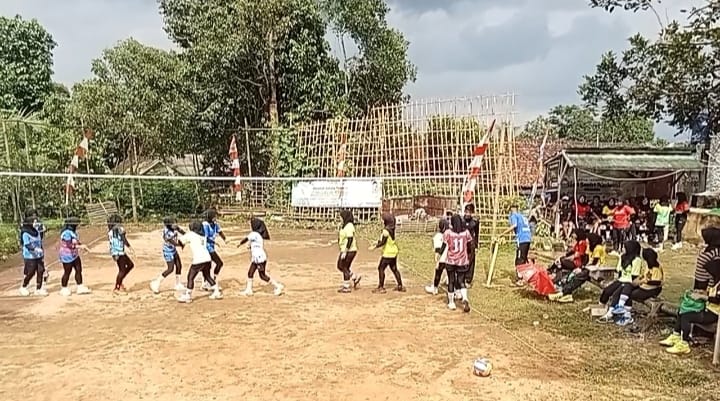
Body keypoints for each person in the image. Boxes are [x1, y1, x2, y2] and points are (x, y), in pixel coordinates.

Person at [661, 227, 720, 354]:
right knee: (682, 310)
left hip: (714, 313)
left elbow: (717, 299)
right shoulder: (715, 283)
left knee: (686, 316)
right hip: (708, 306)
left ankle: (685, 343)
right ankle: (676, 335)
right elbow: (712, 294)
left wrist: (703, 297)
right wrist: (702, 293)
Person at [610, 248, 664, 326]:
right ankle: (620, 308)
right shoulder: (648, 265)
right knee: (627, 287)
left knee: (631, 294)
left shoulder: (656, 267)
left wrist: (644, 281)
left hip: (653, 289)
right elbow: (645, 275)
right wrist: (639, 279)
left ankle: (627, 313)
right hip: (644, 286)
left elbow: (658, 282)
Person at [548, 232, 606, 303]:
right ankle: (566, 293)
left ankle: (563, 293)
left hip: (597, 270)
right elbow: (586, 260)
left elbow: (594, 262)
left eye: (587, 239)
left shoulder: (598, 248)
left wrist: (581, 268)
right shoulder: (590, 246)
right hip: (589, 268)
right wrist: (580, 267)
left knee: (579, 276)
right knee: (573, 274)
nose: (586, 240)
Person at [177, 220, 223, 303]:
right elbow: (208, 240)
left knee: (190, 277)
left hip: (198, 260)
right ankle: (216, 292)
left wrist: (178, 244)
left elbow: (180, 241)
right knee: (207, 276)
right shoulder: (202, 235)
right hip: (207, 259)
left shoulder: (190, 234)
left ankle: (188, 295)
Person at [596, 240, 643, 323]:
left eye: (624, 247)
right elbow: (619, 271)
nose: (622, 249)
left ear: (630, 248)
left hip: (630, 282)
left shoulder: (637, 260)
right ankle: (600, 307)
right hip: (621, 280)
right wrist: (617, 282)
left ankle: (611, 313)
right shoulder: (622, 257)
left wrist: (626, 285)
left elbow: (634, 276)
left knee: (617, 293)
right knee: (607, 291)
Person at [238, 217, 284, 296]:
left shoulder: (254, 234)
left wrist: (239, 244)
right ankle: (249, 290)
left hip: (259, 258)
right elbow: (252, 243)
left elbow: (246, 239)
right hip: (257, 258)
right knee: (250, 273)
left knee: (262, 276)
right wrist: (250, 246)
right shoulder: (258, 235)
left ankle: (277, 286)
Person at [442, 214, 474, 312]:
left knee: (451, 280)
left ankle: (451, 303)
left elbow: (443, 246)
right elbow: (470, 245)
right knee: (461, 281)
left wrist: (439, 256)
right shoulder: (466, 233)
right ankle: (465, 298)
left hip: (451, 260)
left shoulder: (448, 233)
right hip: (462, 261)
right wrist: (468, 255)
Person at [368, 212, 405, 293]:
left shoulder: (385, 231)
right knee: (394, 269)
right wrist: (376, 242)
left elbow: (383, 242)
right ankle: (400, 286)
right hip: (394, 251)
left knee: (381, 268)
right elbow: (386, 240)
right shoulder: (392, 229)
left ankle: (381, 287)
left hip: (387, 253)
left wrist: (375, 247)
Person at [150, 217, 187, 294]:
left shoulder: (175, 228)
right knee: (170, 269)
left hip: (173, 250)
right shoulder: (167, 232)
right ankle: (156, 283)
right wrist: (182, 244)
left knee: (179, 265)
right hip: (168, 251)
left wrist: (188, 236)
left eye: (176, 222)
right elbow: (174, 243)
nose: (175, 224)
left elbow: (183, 233)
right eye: (173, 223)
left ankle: (177, 284)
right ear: (169, 225)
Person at [58, 217, 91, 297]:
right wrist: (80, 247)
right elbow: (69, 245)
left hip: (74, 255)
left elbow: (76, 241)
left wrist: (82, 245)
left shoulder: (73, 232)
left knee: (78, 270)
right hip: (66, 255)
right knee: (67, 272)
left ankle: (80, 286)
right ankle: (64, 288)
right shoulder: (66, 233)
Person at [500, 203, 532, 285]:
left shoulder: (514, 215)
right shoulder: (522, 216)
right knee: (523, 258)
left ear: (512, 209)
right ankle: (525, 277)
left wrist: (503, 233)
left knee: (519, 260)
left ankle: (520, 280)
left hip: (521, 239)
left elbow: (514, 225)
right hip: (527, 238)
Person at [202, 209, 230, 290]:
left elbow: (220, 232)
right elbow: (205, 238)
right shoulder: (205, 224)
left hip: (211, 247)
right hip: (207, 247)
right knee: (219, 263)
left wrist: (225, 239)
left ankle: (208, 282)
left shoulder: (215, 224)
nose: (215, 218)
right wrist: (215, 242)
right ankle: (210, 282)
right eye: (214, 216)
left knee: (208, 266)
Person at [18, 216, 47, 297]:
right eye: (34, 222)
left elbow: (41, 236)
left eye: (36, 222)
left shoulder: (36, 231)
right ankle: (23, 287)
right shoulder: (25, 233)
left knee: (41, 271)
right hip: (30, 256)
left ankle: (39, 289)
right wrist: (35, 249)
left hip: (39, 256)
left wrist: (42, 228)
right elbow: (27, 244)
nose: (35, 223)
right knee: (31, 272)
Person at [108, 214, 135, 295]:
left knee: (130, 265)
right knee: (122, 270)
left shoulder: (110, 231)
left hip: (115, 252)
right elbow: (124, 239)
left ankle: (120, 281)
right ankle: (117, 288)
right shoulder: (120, 229)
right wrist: (130, 247)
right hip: (119, 252)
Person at [337, 210, 361, 293]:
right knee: (340, 266)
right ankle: (354, 277)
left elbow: (350, 239)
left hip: (349, 250)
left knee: (344, 267)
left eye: (341, 217)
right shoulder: (344, 225)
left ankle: (346, 286)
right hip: (344, 249)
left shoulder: (349, 226)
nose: (340, 219)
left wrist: (345, 251)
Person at [425, 219, 450, 296]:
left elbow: (438, 249)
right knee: (451, 274)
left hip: (442, 258)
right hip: (450, 258)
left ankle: (435, 288)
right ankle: (455, 291)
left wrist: (437, 260)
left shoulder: (438, 236)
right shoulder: (450, 234)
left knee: (438, 273)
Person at [463, 203, 480, 287]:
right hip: (462, 243)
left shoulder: (475, 222)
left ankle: (468, 279)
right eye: (466, 212)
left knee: (471, 261)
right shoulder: (461, 220)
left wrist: (476, 245)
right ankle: (461, 277)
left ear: (472, 213)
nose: (467, 214)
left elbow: (476, 234)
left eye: (469, 212)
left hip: (471, 244)